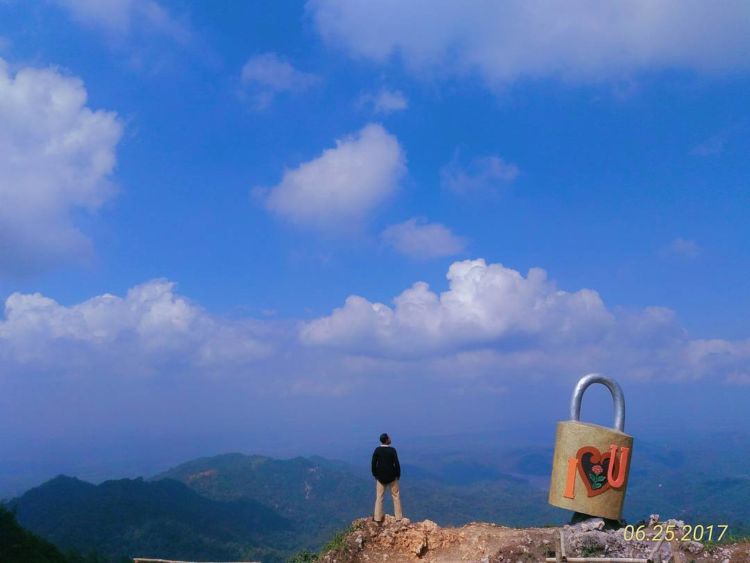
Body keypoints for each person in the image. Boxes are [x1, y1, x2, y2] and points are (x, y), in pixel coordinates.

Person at [371, 432, 403, 522]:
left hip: (380, 477)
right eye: (389, 438)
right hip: (392, 477)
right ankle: (398, 517)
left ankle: (377, 518)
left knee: (379, 497)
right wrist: (398, 475)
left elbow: (373, 463)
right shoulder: (392, 450)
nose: (390, 439)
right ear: (386, 440)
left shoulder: (377, 450)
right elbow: (396, 464)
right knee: (396, 496)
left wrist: (375, 474)